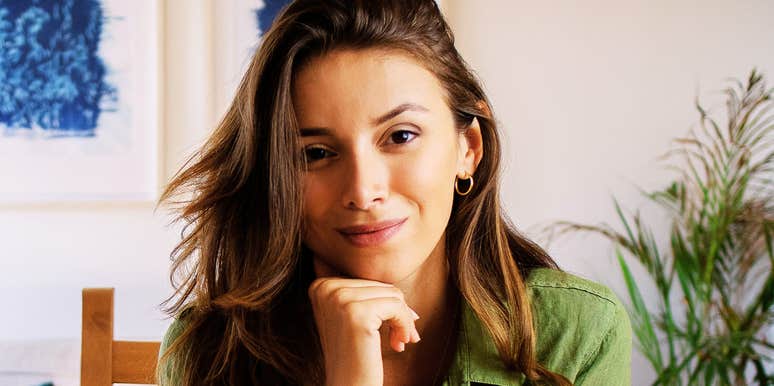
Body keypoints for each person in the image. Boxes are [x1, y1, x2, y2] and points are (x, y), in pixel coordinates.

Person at [156, 0, 632, 385]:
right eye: (316, 153)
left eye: (401, 136)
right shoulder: (208, 351)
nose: (363, 191)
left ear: (468, 148)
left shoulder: (575, 333)